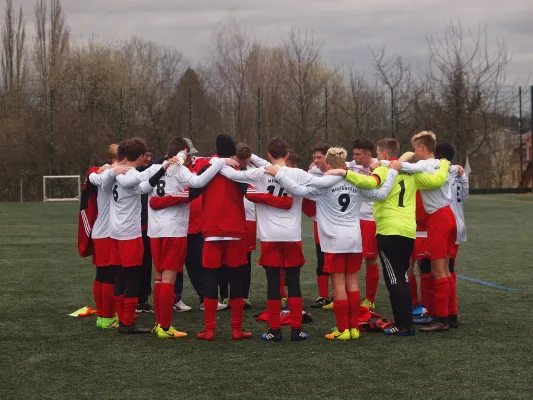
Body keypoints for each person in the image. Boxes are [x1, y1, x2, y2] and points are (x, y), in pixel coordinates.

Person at [265, 147, 400, 340]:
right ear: (344, 164)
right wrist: (393, 171)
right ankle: (354, 328)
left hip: (334, 241)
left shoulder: (324, 184)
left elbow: (297, 190)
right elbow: (382, 194)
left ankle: (342, 329)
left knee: (338, 284)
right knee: (352, 283)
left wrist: (278, 174)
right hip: (354, 239)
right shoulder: (357, 182)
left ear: (327, 164)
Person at [325, 138, 450, 336]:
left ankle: (402, 326)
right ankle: (406, 323)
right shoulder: (411, 174)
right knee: (402, 277)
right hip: (408, 232)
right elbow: (438, 181)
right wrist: (444, 164)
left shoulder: (383, 170)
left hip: (389, 231)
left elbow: (367, 183)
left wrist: (345, 173)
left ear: (383, 153)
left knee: (394, 279)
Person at [220, 138, 335, 342]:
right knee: (294, 281)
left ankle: (275, 330)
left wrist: (219, 162)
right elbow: (324, 183)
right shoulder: (298, 173)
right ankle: (296, 330)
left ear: (269, 154)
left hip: (269, 236)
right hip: (292, 236)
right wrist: (341, 171)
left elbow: (232, 174)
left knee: (273, 283)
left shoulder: (260, 172)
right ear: (288, 155)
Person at [147, 137, 228, 339]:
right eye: (188, 154)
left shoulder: (156, 167)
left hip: (155, 230)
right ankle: (165, 327)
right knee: (168, 279)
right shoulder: (179, 169)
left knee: (159, 278)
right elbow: (198, 182)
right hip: (173, 230)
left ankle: (159, 323)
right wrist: (218, 163)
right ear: (183, 152)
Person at [386, 131, 458, 333]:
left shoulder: (425, 165)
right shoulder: (443, 164)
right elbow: (456, 171)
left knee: (438, 270)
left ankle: (441, 319)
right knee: (447, 269)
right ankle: (451, 315)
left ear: (421, 148)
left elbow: (401, 166)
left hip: (437, 218)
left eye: (415, 148)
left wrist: (384, 164)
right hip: (448, 215)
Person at [191, 134, 253, 341]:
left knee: (210, 278)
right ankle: (237, 329)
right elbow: (249, 192)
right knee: (236, 278)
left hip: (211, 232)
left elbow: (193, 190)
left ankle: (209, 329)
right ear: (234, 150)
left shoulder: (207, 168)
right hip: (235, 231)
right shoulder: (237, 169)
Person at [110, 138, 174, 334]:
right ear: (138, 157)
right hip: (128, 233)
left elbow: (143, 187)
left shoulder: (119, 171)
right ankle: (127, 321)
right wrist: (162, 165)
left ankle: (122, 318)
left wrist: (161, 170)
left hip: (118, 232)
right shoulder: (124, 173)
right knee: (132, 275)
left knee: (122, 274)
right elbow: (135, 179)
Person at [87, 145, 129, 329]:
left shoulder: (108, 171)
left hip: (102, 232)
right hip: (106, 233)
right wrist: (108, 170)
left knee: (102, 275)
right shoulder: (106, 173)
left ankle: (103, 315)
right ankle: (106, 317)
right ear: (115, 159)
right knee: (109, 276)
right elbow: (93, 176)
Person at [435, 142, 468, 328]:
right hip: (459, 224)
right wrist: (462, 177)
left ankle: (446, 314)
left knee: (442, 269)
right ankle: (451, 312)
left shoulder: (443, 172)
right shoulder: (458, 172)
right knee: (450, 268)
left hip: (447, 223)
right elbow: (465, 194)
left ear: (439, 155)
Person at [347, 139, 381, 311]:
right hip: (352, 219)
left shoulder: (380, 166)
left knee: (370, 259)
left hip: (370, 219)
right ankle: (345, 295)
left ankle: (369, 299)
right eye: (354, 154)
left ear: (369, 154)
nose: (355, 157)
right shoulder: (351, 166)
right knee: (350, 258)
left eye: (358, 154)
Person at [308, 142, 333, 309]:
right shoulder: (312, 173)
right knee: (321, 260)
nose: (316, 161)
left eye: (319, 157)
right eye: (314, 157)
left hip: (336, 225)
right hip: (319, 222)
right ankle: (323, 296)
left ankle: (339, 296)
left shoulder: (340, 172)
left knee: (336, 262)